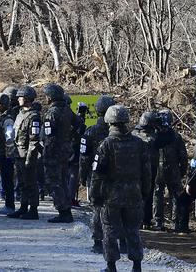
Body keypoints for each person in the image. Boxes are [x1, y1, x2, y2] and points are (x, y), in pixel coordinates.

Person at [89, 105, 151, 272]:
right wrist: (145, 192)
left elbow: (97, 174)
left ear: (109, 122)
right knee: (133, 230)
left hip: (111, 196)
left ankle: (111, 266)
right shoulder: (139, 143)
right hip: (134, 194)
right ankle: (136, 266)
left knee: (110, 231)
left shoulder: (106, 145)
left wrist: (94, 195)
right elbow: (147, 172)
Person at [80, 95, 115, 253]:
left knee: (97, 209)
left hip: (96, 177)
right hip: (118, 177)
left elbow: (84, 157)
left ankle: (98, 242)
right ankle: (121, 241)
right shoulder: (123, 134)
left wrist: (82, 176)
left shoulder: (90, 132)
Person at [42, 83, 75, 223]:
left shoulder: (52, 113)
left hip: (53, 153)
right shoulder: (67, 110)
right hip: (65, 151)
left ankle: (63, 211)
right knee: (63, 181)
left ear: (50, 97)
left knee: (54, 182)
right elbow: (79, 124)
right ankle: (66, 210)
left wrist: (46, 153)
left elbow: (49, 136)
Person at [8, 84, 41, 220]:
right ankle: (23, 207)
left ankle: (33, 209)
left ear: (27, 98)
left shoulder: (34, 117)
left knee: (31, 183)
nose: (18, 99)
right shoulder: (20, 114)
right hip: (19, 153)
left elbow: (34, 140)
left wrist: (30, 158)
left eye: (20, 97)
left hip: (27, 155)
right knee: (22, 182)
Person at [153, 108, 187, 231]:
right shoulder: (176, 137)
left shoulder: (155, 136)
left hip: (158, 169)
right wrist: (183, 171)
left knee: (158, 194)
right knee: (175, 195)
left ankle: (158, 221)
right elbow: (183, 156)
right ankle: (176, 222)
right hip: (173, 169)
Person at [132, 112, 160, 228]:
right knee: (148, 193)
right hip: (150, 168)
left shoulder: (133, 135)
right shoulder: (154, 137)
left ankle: (137, 219)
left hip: (135, 169)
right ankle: (146, 220)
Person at [0, 91, 16, 214]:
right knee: (5, 180)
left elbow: (10, 137)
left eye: (0, 104)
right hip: (0, 154)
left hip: (6, 155)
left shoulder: (7, 120)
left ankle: (10, 205)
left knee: (7, 181)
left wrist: (9, 154)